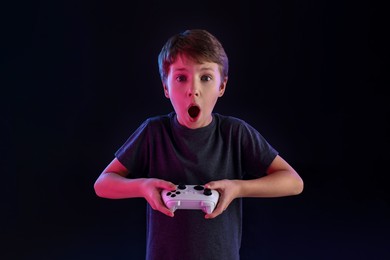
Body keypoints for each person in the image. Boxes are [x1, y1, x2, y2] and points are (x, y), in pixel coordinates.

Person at [94, 29, 304, 260]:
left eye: (206, 77)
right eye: (181, 78)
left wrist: (238, 188)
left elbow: (293, 182)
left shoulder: (235, 133)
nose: (193, 90)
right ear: (166, 87)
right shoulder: (154, 132)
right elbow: (102, 184)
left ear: (221, 86)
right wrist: (143, 187)